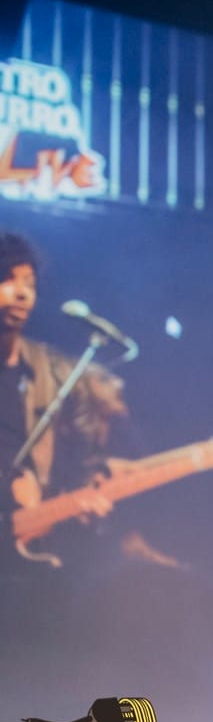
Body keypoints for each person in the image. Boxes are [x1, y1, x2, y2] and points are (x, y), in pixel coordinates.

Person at [0, 230, 128, 569]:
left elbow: (79, 463)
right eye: (7, 279)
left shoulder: (51, 373)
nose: (22, 293)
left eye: (29, 284)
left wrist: (82, 496)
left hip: (26, 552)